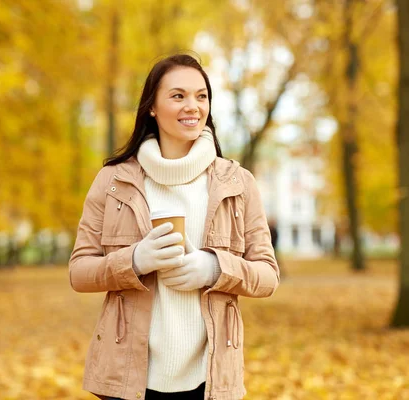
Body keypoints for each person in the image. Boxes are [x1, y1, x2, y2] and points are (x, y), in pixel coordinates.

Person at [69, 54, 280, 400]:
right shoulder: (113, 180)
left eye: (202, 96)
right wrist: (134, 260)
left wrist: (215, 268)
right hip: (127, 379)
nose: (193, 107)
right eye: (178, 96)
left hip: (209, 380)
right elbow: (79, 271)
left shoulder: (238, 183)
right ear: (151, 106)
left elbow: (268, 276)